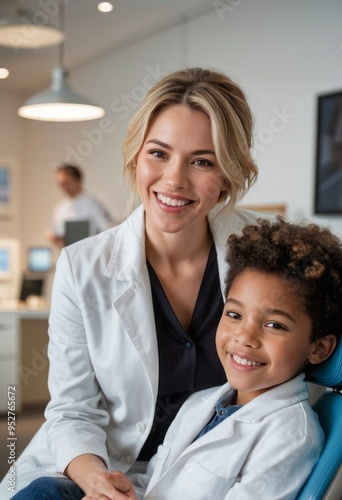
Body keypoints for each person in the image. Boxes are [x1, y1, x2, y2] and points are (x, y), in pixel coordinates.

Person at [1, 67, 261, 499]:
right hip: (108, 463)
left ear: (229, 176)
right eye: (158, 153)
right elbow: (72, 410)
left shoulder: (265, 253)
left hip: (214, 472)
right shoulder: (81, 266)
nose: (174, 180)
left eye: (201, 161)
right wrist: (95, 480)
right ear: (136, 157)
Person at [102, 217, 341, 499]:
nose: (244, 337)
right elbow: (155, 483)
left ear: (320, 349)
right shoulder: (199, 404)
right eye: (234, 315)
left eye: (274, 325)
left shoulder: (289, 437)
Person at [46, 163, 114, 248]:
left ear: (78, 180)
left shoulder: (93, 204)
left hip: (90, 254)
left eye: (67, 183)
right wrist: (54, 237)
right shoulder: (60, 209)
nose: (64, 187)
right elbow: (55, 232)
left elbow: (107, 231)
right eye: (61, 184)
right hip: (69, 255)